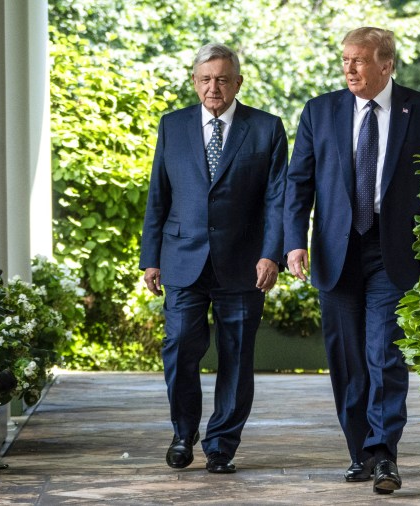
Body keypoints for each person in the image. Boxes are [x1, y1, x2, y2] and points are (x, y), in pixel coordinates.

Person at [283, 27, 420, 494]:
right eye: (345, 60)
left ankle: (385, 454)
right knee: (347, 358)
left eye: (358, 61)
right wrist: (295, 242)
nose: (349, 69)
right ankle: (360, 453)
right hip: (336, 251)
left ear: (386, 65)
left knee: (384, 353)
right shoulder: (320, 110)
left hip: (392, 251)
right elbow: (299, 183)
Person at [139, 43, 287, 474]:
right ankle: (184, 434)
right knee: (180, 345)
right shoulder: (172, 126)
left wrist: (270, 254)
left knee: (237, 356)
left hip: (243, 264)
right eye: (205, 79)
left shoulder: (266, 128)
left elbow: (277, 200)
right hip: (182, 258)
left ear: (238, 82)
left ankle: (221, 445)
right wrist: (151, 257)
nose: (213, 87)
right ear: (194, 82)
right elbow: (158, 197)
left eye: (222, 79)